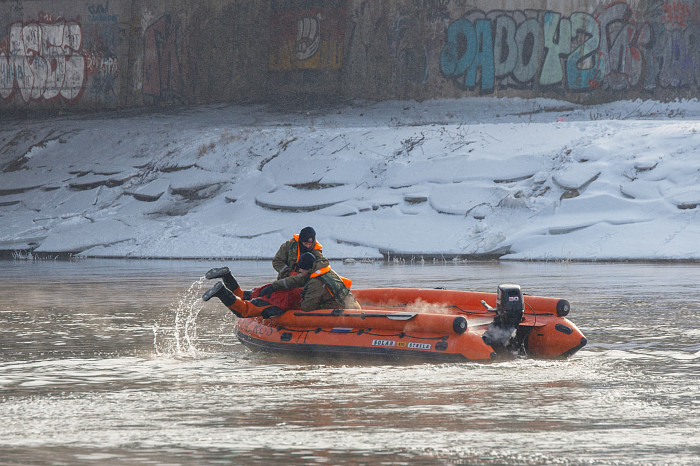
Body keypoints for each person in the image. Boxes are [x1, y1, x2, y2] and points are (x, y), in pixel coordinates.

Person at [203, 252, 360, 317]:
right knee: (244, 307)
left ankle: (225, 281)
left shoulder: (309, 280)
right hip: (282, 297)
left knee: (244, 300)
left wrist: (275, 285)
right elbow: (305, 301)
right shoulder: (319, 274)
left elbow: (305, 302)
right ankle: (222, 289)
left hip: (280, 293)